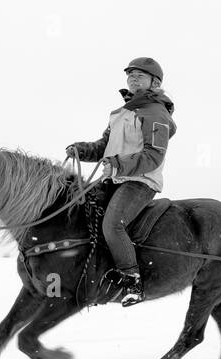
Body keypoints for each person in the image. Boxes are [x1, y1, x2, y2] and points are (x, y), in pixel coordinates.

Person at [67, 57, 177, 303]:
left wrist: (117, 164)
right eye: (130, 75)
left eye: (140, 75)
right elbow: (104, 146)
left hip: (139, 182)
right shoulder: (120, 113)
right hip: (114, 178)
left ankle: (132, 281)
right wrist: (83, 150)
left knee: (112, 225)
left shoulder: (156, 113)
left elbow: (154, 156)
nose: (133, 78)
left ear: (154, 82)